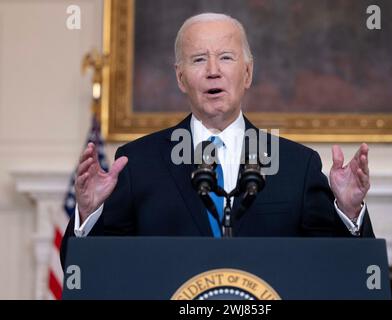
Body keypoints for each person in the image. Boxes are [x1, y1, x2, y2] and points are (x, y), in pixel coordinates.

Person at [60, 13, 373, 266]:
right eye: (198, 59)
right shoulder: (138, 163)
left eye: (225, 57)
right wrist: (88, 214)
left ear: (247, 74)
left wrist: (348, 210)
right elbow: (90, 272)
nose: (213, 71)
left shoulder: (296, 165)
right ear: (181, 78)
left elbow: (336, 268)